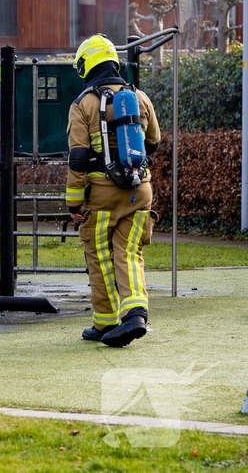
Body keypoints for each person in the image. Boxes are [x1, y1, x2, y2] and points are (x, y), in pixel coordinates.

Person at [67, 34, 160, 348]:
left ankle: (105, 322)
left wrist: (74, 202)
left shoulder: (83, 104)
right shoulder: (139, 97)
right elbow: (154, 143)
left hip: (102, 196)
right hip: (140, 190)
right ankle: (135, 313)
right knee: (129, 252)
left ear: (86, 65)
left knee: (100, 256)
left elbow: (78, 158)